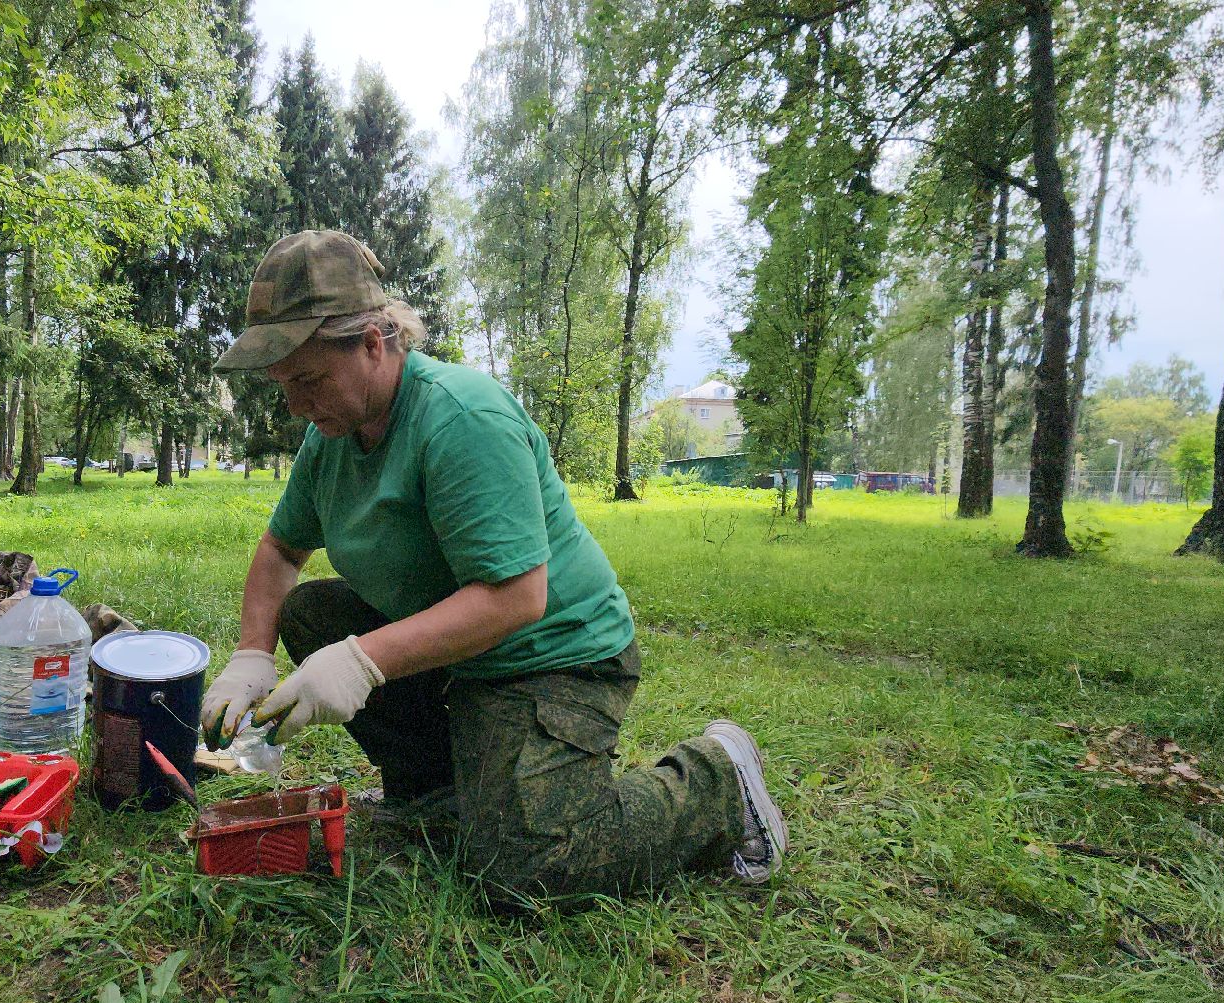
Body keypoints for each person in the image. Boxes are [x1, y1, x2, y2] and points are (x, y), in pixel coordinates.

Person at [197, 229, 786, 905]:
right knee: (312, 614)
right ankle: (439, 792)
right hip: (462, 657)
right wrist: (250, 655)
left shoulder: (460, 419)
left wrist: (360, 662)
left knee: (525, 872)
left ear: (372, 341)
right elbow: (280, 550)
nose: (295, 405)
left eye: (307, 379)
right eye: (283, 386)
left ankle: (716, 782)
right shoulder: (332, 435)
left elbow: (515, 599)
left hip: (552, 655)